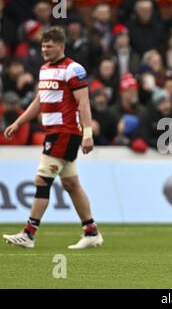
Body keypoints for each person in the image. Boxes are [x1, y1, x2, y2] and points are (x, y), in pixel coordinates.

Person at [2, 26, 103, 249]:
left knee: (41, 180)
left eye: (49, 46)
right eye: (42, 46)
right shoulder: (44, 69)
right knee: (71, 184)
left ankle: (28, 234)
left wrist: (87, 134)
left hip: (65, 132)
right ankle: (91, 231)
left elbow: (83, 103)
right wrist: (19, 122)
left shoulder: (73, 69)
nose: (44, 50)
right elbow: (39, 101)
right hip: (54, 132)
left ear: (61, 46)